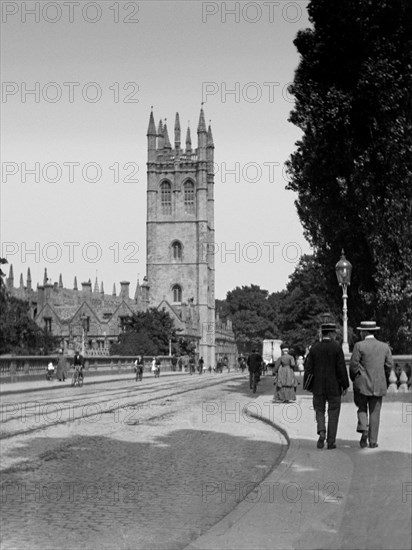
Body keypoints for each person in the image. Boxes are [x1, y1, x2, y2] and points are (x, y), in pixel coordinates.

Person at [304, 323, 349, 450]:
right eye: (334, 333)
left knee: (319, 410)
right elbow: (341, 369)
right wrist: (345, 385)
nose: (335, 335)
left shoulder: (314, 348)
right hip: (334, 387)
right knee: (333, 412)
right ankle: (331, 441)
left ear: (322, 333)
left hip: (318, 386)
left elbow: (309, 369)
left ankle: (321, 430)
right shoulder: (337, 348)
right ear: (330, 333)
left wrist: (309, 385)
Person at [349, 321, 393, 449]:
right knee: (375, 412)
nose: (360, 333)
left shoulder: (359, 346)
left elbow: (353, 366)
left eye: (361, 331)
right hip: (378, 384)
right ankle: (373, 441)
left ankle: (364, 428)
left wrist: (354, 379)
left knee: (362, 407)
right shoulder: (384, 347)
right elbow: (389, 365)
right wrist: (382, 377)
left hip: (362, 384)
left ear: (365, 332)